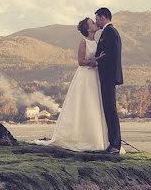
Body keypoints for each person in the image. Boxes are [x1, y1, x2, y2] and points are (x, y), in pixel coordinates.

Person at [35, 17, 109, 151]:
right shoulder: (84, 42)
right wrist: (95, 60)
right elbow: (80, 62)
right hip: (85, 76)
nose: (95, 23)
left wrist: (97, 60)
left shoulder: (96, 41)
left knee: (94, 104)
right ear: (87, 29)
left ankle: (96, 138)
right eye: (92, 23)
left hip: (94, 76)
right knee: (84, 103)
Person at [94, 8, 123, 155]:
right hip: (107, 77)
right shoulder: (107, 32)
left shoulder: (110, 32)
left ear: (103, 17)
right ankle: (113, 143)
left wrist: (99, 58)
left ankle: (115, 144)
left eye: (97, 18)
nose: (96, 22)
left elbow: (113, 55)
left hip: (108, 78)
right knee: (108, 109)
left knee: (110, 110)